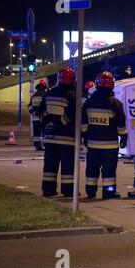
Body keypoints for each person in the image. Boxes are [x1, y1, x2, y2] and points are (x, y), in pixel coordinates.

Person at [82, 71, 128, 199]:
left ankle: (90, 192)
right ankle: (108, 192)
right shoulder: (115, 104)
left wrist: (84, 136)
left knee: (92, 169)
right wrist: (124, 137)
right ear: (111, 85)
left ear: (97, 84)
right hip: (110, 145)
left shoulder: (89, 102)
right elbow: (121, 125)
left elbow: (83, 122)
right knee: (109, 171)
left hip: (92, 144)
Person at [39, 67, 76, 198]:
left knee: (49, 166)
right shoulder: (71, 94)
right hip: (66, 138)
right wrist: (59, 123)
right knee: (67, 167)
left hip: (50, 137)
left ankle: (48, 190)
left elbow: (41, 112)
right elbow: (72, 114)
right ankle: (68, 190)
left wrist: (48, 125)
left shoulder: (49, 93)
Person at [28, 79, 48, 151]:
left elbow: (30, 105)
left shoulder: (34, 95)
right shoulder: (45, 95)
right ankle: (43, 145)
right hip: (43, 116)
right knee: (44, 131)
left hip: (34, 117)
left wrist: (32, 112)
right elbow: (45, 106)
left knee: (36, 132)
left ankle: (37, 145)